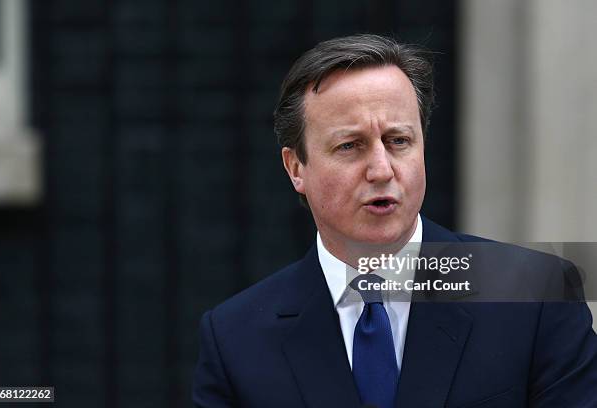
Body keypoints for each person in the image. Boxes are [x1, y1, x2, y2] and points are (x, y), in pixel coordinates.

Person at [193, 34, 597, 407]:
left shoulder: (536, 295)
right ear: (296, 167)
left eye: (398, 141)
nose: (381, 170)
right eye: (350, 146)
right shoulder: (235, 339)